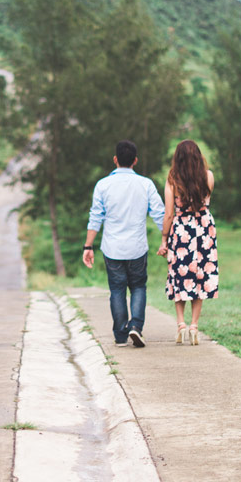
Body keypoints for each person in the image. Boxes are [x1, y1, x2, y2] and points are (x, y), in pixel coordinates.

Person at [84, 140, 166, 348]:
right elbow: (159, 214)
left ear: (115, 160)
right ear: (135, 161)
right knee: (138, 287)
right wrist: (168, 239)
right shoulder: (146, 184)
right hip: (137, 247)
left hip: (112, 249)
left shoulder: (102, 185)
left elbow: (96, 217)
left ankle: (121, 335)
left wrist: (88, 246)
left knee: (117, 290)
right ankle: (136, 327)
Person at [156, 140, 218, 346]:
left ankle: (181, 324)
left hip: (182, 230)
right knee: (199, 276)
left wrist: (164, 239)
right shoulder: (208, 176)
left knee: (180, 275)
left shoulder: (173, 179)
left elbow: (168, 214)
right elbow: (204, 202)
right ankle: (194, 326)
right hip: (204, 229)